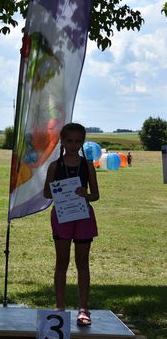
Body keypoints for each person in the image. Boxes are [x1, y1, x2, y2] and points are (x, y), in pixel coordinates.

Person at [43, 123, 99, 326]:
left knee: (82, 263)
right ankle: (60, 306)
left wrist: (86, 194)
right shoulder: (55, 166)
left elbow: (96, 195)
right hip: (62, 216)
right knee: (62, 262)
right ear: (63, 142)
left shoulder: (87, 166)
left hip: (83, 216)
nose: (74, 145)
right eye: (69, 141)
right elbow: (46, 192)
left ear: (82, 142)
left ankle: (83, 309)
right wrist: (58, 191)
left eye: (78, 141)